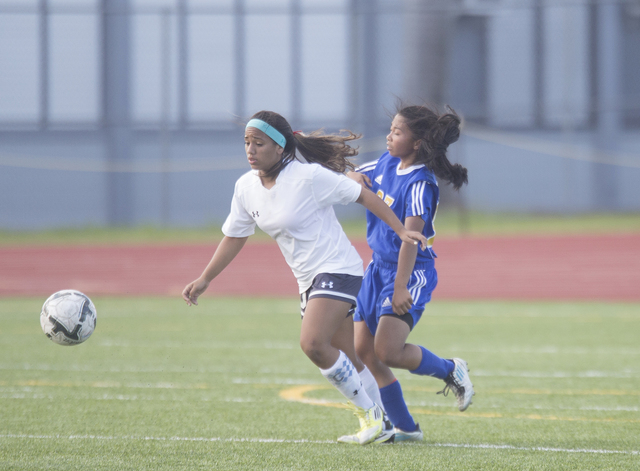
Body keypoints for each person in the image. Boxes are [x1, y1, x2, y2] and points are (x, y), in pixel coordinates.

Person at [181, 110, 428, 445]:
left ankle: (370, 418)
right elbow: (236, 235)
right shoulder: (245, 187)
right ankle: (387, 422)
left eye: (259, 143)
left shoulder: (309, 177)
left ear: (281, 147)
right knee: (350, 359)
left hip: (339, 269)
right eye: (247, 143)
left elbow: (364, 196)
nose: (251, 150)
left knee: (312, 344)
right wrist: (205, 278)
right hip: (309, 280)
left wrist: (400, 230)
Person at [341, 103, 475, 444]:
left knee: (387, 351)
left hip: (409, 271)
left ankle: (450, 369)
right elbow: (351, 175)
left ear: (416, 143)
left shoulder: (420, 184)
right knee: (365, 351)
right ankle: (406, 428)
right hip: (377, 269)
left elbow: (410, 240)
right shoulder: (385, 163)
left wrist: (400, 286)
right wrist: (351, 177)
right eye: (391, 129)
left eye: (397, 132)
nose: (389, 135)